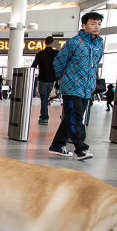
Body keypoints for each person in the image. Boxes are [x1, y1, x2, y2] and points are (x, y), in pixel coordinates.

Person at [48, 13, 104, 161]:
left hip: (87, 88)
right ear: (84, 25)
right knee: (76, 118)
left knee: (70, 118)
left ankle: (57, 145)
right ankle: (81, 149)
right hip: (72, 86)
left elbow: (96, 63)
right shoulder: (74, 42)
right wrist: (63, 78)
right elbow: (59, 62)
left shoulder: (99, 43)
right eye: (93, 23)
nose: (96, 27)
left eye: (98, 23)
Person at [30, 35, 59, 123]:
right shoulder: (56, 53)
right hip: (52, 80)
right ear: (52, 43)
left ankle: (45, 117)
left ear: (44, 43)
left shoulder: (40, 54)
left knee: (44, 99)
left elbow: (33, 66)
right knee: (45, 99)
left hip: (42, 79)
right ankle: (43, 116)